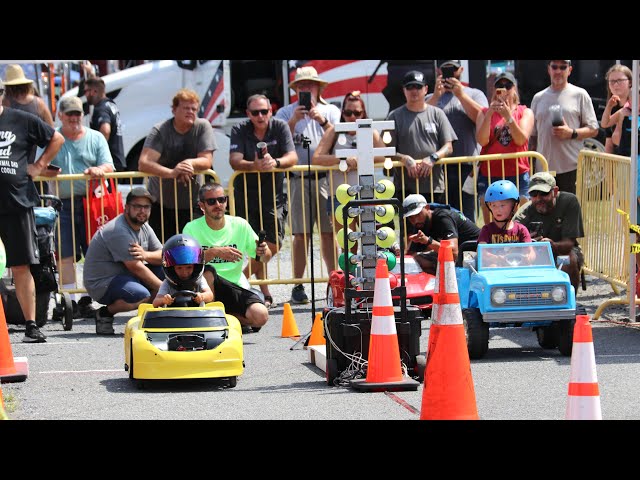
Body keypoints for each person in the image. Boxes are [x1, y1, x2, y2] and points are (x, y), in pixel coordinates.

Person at [0, 79, 65, 342]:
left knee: (21, 265)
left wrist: (39, 166)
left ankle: (30, 325)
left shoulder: (21, 119)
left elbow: (56, 138)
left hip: (17, 202)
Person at [274, 66, 341, 304]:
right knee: (300, 235)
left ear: (318, 87)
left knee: (328, 233)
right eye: (301, 86)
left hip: (325, 178)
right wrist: (294, 120)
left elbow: (338, 140)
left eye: (309, 85)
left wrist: (321, 120)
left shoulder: (331, 110)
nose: (305, 89)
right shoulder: (284, 113)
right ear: (296, 90)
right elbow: (278, 142)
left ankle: (335, 280)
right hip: (297, 179)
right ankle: (298, 284)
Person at [49, 96, 115, 319]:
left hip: (92, 203)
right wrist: (46, 171)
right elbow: (39, 165)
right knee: (64, 253)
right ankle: (70, 300)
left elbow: (109, 165)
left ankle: (87, 298)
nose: (74, 118)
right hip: (61, 202)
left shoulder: (95, 137)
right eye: (70, 114)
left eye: (77, 114)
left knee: (92, 252)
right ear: (60, 116)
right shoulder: (52, 137)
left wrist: (99, 169)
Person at [229, 94, 297, 309]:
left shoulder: (280, 126)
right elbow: (234, 160)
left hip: (274, 196)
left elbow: (292, 157)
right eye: (255, 112)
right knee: (252, 245)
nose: (260, 116)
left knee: (272, 245)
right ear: (248, 114)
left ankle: (237, 281)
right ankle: (265, 292)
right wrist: (254, 165)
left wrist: (274, 162)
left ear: (271, 111)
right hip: (245, 195)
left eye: (264, 111)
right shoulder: (240, 129)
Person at [182, 183, 270, 332]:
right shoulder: (191, 228)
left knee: (261, 316)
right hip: (206, 287)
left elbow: (264, 258)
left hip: (235, 284)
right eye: (211, 201)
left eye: (221, 199)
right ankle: (212, 321)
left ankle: (224, 318)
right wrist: (214, 252)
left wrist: (264, 251)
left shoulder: (240, 224)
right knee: (208, 271)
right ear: (202, 205)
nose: (218, 204)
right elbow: (186, 263)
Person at [138, 88, 217, 241]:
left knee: (192, 250)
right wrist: (172, 173)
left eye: (194, 109)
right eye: (186, 108)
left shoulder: (202, 127)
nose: (191, 112)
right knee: (163, 251)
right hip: (161, 204)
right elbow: (144, 163)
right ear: (174, 110)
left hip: (193, 203)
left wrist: (189, 163)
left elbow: (207, 160)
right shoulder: (160, 130)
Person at [83, 186, 164, 335]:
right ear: (127, 208)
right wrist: (166, 289)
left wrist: (145, 255)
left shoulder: (144, 226)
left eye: (146, 207)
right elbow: (135, 267)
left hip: (126, 277)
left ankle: (153, 319)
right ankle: (104, 313)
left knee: (167, 271)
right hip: (103, 283)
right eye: (137, 206)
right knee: (141, 295)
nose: (142, 211)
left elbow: (162, 255)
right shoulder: (118, 230)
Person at [312, 90, 386, 252]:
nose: (352, 117)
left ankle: (372, 277)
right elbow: (317, 158)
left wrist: (362, 159)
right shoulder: (334, 131)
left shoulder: (370, 131)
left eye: (357, 113)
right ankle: (350, 277)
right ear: (342, 113)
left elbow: (383, 156)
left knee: (370, 242)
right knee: (348, 246)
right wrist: (343, 160)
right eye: (348, 112)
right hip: (339, 196)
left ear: (363, 113)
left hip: (366, 194)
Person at [386, 70, 457, 236]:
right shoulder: (394, 116)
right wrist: (404, 159)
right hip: (406, 187)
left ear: (426, 89)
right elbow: (386, 150)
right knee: (409, 236)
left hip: (434, 187)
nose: (414, 91)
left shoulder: (437, 114)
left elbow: (449, 146)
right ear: (404, 90)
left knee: (437, 232)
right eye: (410, 87)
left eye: (418, 87)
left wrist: (433, 158)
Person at [427, 60, 488, 221]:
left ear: (461, 70)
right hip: (438, 167)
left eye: (453, 69)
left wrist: (461, 95)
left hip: (466, 165)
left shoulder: (474, 94)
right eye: (446, 69)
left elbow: (483, 119)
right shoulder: (431, 96)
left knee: (466, 215)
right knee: (441, 215)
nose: (450, 73)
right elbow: (419, 119)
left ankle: (467, 246)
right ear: (438, 70)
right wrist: (435, 96)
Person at [529, 60, 599, 194]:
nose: (558, 71)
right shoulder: (538, 98)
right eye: (554, 67)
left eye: (563, 67)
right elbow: (533, 136)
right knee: (544, 212)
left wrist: (571, 133)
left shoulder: (580, 94)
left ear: (570, 70)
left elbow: (593, 129)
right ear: (549, 69)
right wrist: (530, 164)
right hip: (543, 168)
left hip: (571, 168)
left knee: (569, 212)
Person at [475, 72, 535, 225]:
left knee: (522, 216)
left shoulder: (524, 112)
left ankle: (521, 245)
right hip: (490, 173)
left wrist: (508, 117)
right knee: (492, 219)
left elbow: (521, 139)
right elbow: (482, 140)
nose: (503, 89)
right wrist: (490, 113)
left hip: (518, 172)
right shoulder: (483, 112)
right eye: (499, 86)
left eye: (507, 86)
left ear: (514, 88)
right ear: (494, 89)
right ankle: (492, 246)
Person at [513, 172, 585, 294]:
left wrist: (551, 245)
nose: (538, 198)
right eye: (534, 194)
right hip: (532, 253)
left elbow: (569, 243)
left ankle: (568, 302)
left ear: (555, 191)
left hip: (561, 250)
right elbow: (511, 246)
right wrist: (526, 241)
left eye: (544, 193)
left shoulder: (569, 202)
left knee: (568, 258)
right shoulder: (522, 215)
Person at [402, 193, 480, 275]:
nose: (415, 220)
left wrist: (428, 241)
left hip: (475, 252)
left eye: (418, 214)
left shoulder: (443, 218)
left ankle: (444, 285)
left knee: (423, 262)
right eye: (411, 217)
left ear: (427, 208)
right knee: (416, 260)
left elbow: (453, 253)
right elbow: (410, 256)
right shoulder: (420, 224)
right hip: (461, 255)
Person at [1, 64, 55, 172]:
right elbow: (51, 132)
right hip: (36, 157)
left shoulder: (5, 102)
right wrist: (42, 163)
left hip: (11, 159)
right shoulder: (39, 103)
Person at [152, 234, 213, 308]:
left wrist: (202, 296)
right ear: (171, 269)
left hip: (197, 317)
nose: (184, 272)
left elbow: (210, 295)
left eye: (189, 267)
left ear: (196, 267)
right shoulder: (167, 283)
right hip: (172, 317)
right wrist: (163, 300)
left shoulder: (200, 280)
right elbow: (155, 302)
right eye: (179, 268)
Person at [83, 76, 126, 173]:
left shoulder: (101, 108)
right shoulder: (110, 104)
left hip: (108, 161)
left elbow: (106, 130)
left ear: (94, 91)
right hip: (116, 158)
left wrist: (98, 153)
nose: (85, 95)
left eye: (86, 91)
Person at [478, 180, 531, 244]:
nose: (498, 210)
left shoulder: (521, 230)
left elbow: (529, 251)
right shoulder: (486, 230)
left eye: (502, 205)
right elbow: (482, 251)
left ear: (514, 206)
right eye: (494, 205)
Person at [601, 64, 632, 154]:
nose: (615, 84)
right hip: (620, 161)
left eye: (620, 80)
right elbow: (609, 144)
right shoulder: (612, 108)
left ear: (630, 83)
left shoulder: (635, 107)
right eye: (612, 81)